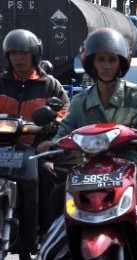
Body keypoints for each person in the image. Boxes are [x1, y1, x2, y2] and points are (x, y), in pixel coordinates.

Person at [36, 28, 137, 253]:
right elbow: (66, 128)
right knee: (56, 199)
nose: (106, 65)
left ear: (121, 63)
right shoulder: (80, 101)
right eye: (101, 60)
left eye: (111, 60)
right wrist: (54, 143)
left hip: (135, 167)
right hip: (90, 173)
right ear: (91, 64)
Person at [0, 29, 70, 233]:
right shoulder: (1, 83)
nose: (18, 58)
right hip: (3, 149)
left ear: (34, 55)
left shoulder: (50, 85)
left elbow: (65, 115)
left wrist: (52, 124)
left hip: (34, 150)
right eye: (13, 54)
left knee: (47, 172)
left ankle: (49, 230)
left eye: (23, 53)